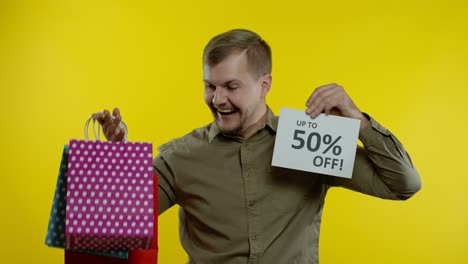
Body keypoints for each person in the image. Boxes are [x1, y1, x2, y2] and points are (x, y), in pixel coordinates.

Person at [93, 29, 421, 264]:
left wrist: (357, 120)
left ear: (264, 85)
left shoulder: (311, 143)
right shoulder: (180, 157)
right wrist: (118, 157)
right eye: (210, 86)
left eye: (231, 86)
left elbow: (403, 184)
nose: (218, 99)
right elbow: (117, 223)